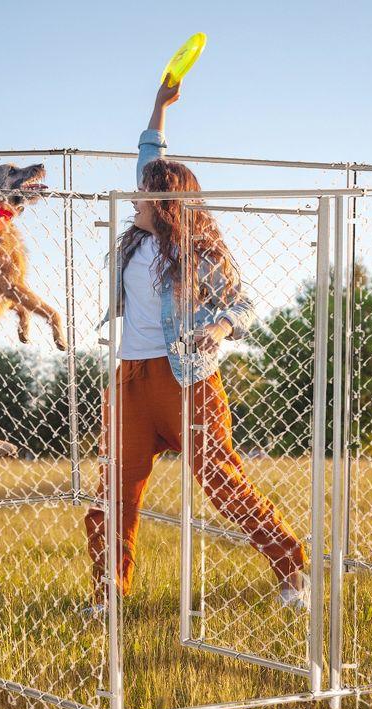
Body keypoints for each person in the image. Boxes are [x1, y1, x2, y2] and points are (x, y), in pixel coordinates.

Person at [84, 80, 309, 613]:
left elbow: (243, 306)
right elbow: (149, 154)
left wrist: (218, 330)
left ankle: (291, 570)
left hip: (186, 380)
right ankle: (108, 595)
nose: (134, 196)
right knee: (111, 496)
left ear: (165, 205)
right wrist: (160, 107)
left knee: (223, 485)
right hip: (131, 381)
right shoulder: (136, 240)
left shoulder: (200, 256)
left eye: (144, 194)